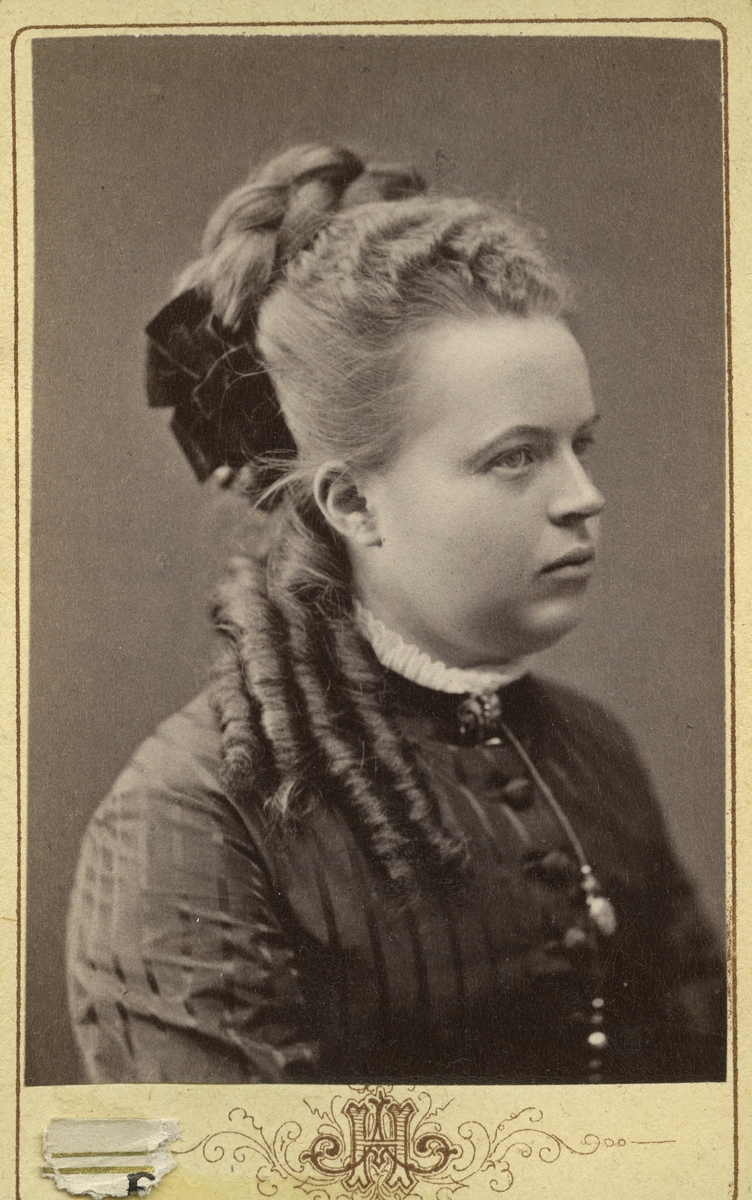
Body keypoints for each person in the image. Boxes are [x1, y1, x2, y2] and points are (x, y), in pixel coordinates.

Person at [66, 144, 725, 1085]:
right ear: (354, 503)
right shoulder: (189, 819)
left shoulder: (594, 749)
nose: (585, 498)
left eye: (579, 446)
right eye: (516, 457)